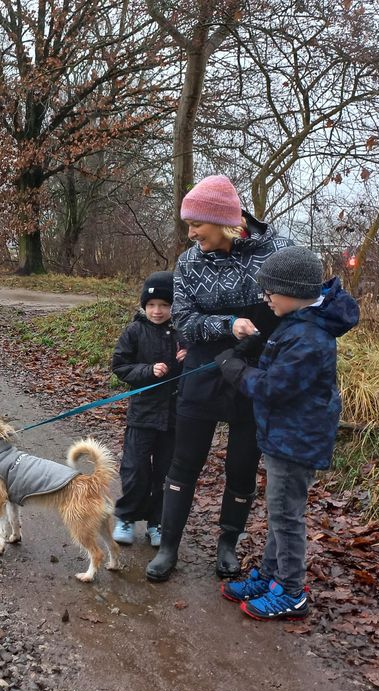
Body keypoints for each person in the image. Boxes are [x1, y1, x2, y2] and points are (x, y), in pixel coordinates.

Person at [146, 174, 293, 582]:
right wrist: (229, 324)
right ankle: (169, 547)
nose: (191, 234)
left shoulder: (277, 252)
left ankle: (227, 543)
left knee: (243, 464)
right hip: (204, 369)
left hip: (255, 372)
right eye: (188, 226)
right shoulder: (189, 262)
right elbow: (186, 322)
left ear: (224, 220)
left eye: (196, 224)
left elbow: (296, 307)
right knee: (184, 460)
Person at [215, 247, 359, 618]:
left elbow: (271, 388)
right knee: (279, 510)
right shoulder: (299, 325)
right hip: (283, 436)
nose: (265, 298)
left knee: (286, 516)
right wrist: (251, 349)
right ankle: (271, 576)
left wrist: (234, 368)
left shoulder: (311, 338)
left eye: (270, 292)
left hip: (296, 441)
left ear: (293, 291)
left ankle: (292, 591)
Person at [111, 272, 186, 548]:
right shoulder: (134, 331)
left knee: (165, 474)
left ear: (173, 307)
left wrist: (187, 360)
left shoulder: (183, 332)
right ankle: (126, 517)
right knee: (135, 469)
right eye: (152, 304)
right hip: (142, 414)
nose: (157, 311)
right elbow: (120, 366)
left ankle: (157, 522)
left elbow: (199, 368)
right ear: (144, 305)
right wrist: (147, 370)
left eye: (164, 305)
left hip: (173, 417)